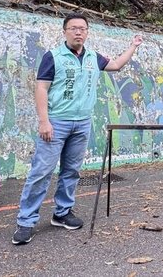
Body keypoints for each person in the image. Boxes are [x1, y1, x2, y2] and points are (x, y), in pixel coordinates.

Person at [12, 14, 144, 245]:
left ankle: (62, 213)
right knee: (41, 171)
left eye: (82, 28)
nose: (78, 32)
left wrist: (133, 46)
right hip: (56, 122)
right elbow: (41, 88)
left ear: (87, 32)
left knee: (72, 171)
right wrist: (44, 121)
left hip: (82, 122)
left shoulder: (93, 57)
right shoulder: (53, 56)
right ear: (65, 31)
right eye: (73, 28)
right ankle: (26, 222)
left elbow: (116, 65)